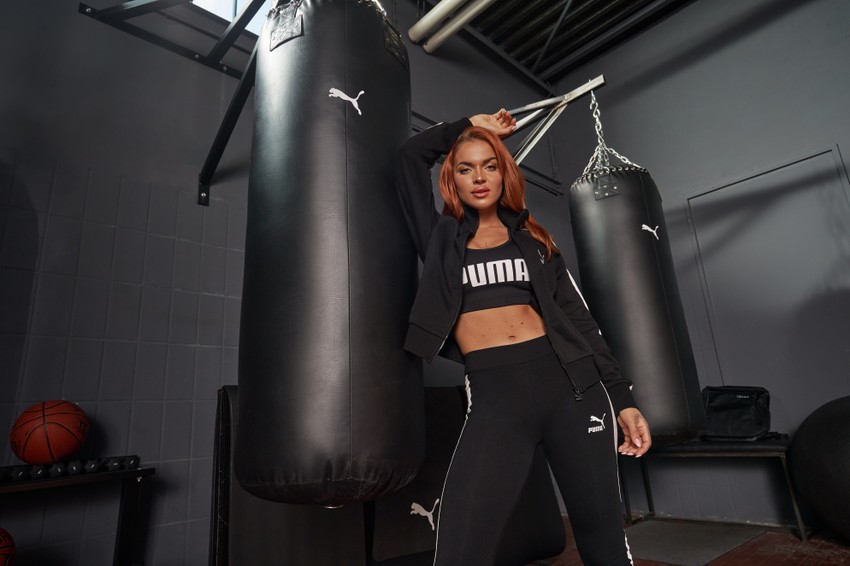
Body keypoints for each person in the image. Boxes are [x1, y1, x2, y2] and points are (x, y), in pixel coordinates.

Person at [395, 108, 652, 566]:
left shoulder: (535, 241)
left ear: (504, 174)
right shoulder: (440, 237)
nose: (479, 177)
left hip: (571, 390)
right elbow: (409, 158)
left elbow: (580, 323)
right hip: (496, 397)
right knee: (460, 548)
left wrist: (623, 399)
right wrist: (470, 125)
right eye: (466, 168)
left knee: (604, 543)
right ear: (452, 179)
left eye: (489, 166)